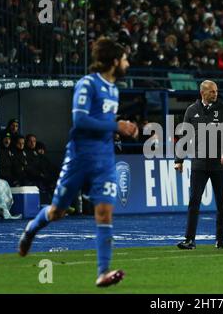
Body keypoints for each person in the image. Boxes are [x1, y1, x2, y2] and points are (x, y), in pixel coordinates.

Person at [18, 37, 138, 287]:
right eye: (125, 58)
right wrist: (116, 125)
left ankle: (103, 272)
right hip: (79, 158)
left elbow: (102, 123)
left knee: (104, 213)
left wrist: (119, 129)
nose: (128, 63)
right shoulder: (87, 84)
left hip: (104, 160)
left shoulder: (114, 89)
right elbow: (80, 121)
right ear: (114, 61)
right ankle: (31, 230)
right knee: (57, 212)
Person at [174, 80, 223, 250]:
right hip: (199, 163)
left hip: (219, 164)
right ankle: (190, 240)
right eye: (212, 91)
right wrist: (179, 160)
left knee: (221, 202)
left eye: (216, 91)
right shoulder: (192, 110)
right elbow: (184, 137)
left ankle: (220, 240)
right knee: (194, 201)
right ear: (202, 93)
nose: (215, 94)